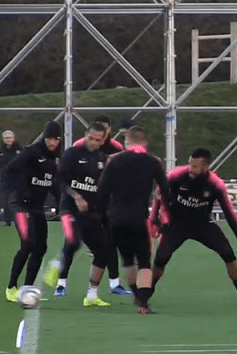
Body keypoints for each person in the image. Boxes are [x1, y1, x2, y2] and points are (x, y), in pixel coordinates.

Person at [149, 148, 237, 306]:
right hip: (177, 224)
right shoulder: (176, 175)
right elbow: (159, 194)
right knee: (161, 259)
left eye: (195, 166)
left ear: (205, 167)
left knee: (228, 254)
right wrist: (155, 219)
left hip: (202, 224)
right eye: (190, 165)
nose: (191, 169)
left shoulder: (216, 185)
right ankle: (145, 296)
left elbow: (231, 217)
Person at [96, 126, 169, 314]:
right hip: (138, 217)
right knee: (144, 260)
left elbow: (102, 191)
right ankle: (144, 303)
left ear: (127, 142)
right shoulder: (153, 162)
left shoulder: (114, 160)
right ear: (144, 142)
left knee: (127, 260)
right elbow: (165, 190)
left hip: (116, 217)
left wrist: (102, 217)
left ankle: (137, 296)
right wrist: (163, 213)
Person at [43, 122, 112, 307]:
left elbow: (101, 187)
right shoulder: (72, 154)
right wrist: (76, 196)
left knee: (102, 252)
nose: (94, 142)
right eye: (91, 138)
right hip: (69, 209)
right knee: (73, 241)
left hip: (90, 213)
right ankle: (57, 264)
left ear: (103, 140)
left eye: (98, 140)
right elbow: (60, 180)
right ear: (86, 134)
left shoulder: (101, 159)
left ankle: (91, 295)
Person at [68, 115, 131, 296]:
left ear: (107, 133)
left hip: (103, 206)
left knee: (109, 243)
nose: (96, 140)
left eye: (100, 135)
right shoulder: (77, 149)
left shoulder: (115, 148)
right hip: (80, 208)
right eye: (93, 136)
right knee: (71, 245)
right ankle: (59, 280)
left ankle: (113, 283)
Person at [5, 121, 62, 303]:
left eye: (57, 139)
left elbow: (53, 183)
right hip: (21, 205)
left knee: (41, 247)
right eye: (51, 138)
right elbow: (9, 171)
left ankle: (27, 288)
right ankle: (11, 287)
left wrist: (61, 202)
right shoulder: (31, 152)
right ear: (45, 137)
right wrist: (22, 190)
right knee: (28, 244)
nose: (53, 143)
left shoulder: (53, 158)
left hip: (37, 207)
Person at [1, 130, 22, 226]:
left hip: (18, 180)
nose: (8, 140)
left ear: (13, 138)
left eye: (10, 138)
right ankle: (7, 221)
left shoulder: (20, 150)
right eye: (6, 138)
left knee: (18, 200)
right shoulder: (1, 152)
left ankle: (19, 220)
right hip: (5, 180)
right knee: (6, 200)